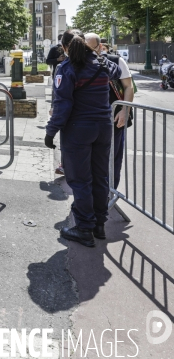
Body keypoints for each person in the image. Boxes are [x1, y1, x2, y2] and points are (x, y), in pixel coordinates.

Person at [45, 29, 121, 247]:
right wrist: (100, 55)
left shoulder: (67, 68)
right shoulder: (102, 64)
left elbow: (62, 105)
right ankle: (99, 223)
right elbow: (115, 72)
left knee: (80, 180)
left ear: (65, 47)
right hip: (103, 127)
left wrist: (51, 132)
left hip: (78, 129)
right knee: (99, 176)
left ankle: (84, 228)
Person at [91, 34, 135, 197]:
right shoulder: (81, 62)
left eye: (92, 48)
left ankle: (109, 194)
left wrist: (125, 110)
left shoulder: (116, 61)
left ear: (100, 47)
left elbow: (129, 87)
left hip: (114, 119)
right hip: (90, 121)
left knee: (113, 159)